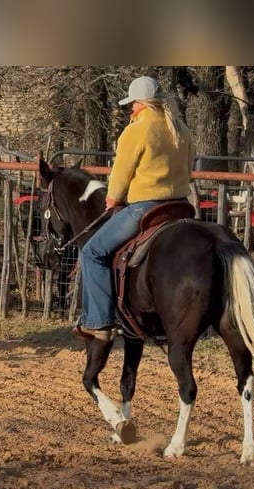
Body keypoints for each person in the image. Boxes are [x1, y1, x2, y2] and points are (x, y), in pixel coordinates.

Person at [74, 75, 195, 341]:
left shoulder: (137, 130)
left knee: (93, 251)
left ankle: (98, 321)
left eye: (133, 104)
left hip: (145, 207)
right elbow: (189, 171)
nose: (131, 109)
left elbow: (121, 172)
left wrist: (113, 198)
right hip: (180, 207)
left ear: (143, 104)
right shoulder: (181, 129)